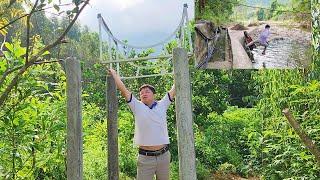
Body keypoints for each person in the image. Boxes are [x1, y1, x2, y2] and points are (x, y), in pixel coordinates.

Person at [108, 68, 175, 180]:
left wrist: (182, 65)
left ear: (154, 94)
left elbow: (174, 88)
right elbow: (123, 89)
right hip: (145, 158)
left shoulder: (162, 104)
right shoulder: (137, 106)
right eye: (141, 93)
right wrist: (114, 74)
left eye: (147, 91)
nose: (144, 94)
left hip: (164, 156)